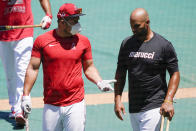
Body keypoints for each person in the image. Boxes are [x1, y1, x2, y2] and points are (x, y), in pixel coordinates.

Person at [21, 3, 116, 131]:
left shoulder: (83, 42)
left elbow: (89, 68)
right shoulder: (42, 41)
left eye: (78, 19)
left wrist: (99, 82)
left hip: (75, 103)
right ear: (62, 21)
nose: (78, 23)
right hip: (51, 104)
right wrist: (25, 95)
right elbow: (33, 68)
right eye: (74, 20)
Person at [114, 8, 180, 131]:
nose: (134, 29)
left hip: (155, 106)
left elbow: (175, 73)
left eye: (137, 26)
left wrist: (169, 100)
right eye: (132, 26)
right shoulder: (126, 44)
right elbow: (120, 73)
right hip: (134, 107)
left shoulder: (164, 45)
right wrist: (117, 100)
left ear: (147, 22)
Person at [0, 0, 52, 125]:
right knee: (10, 75)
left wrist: (48, 15)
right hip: (3, 34)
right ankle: (14, 107)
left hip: (25, 32)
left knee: (22, 71)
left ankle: (20, 110)